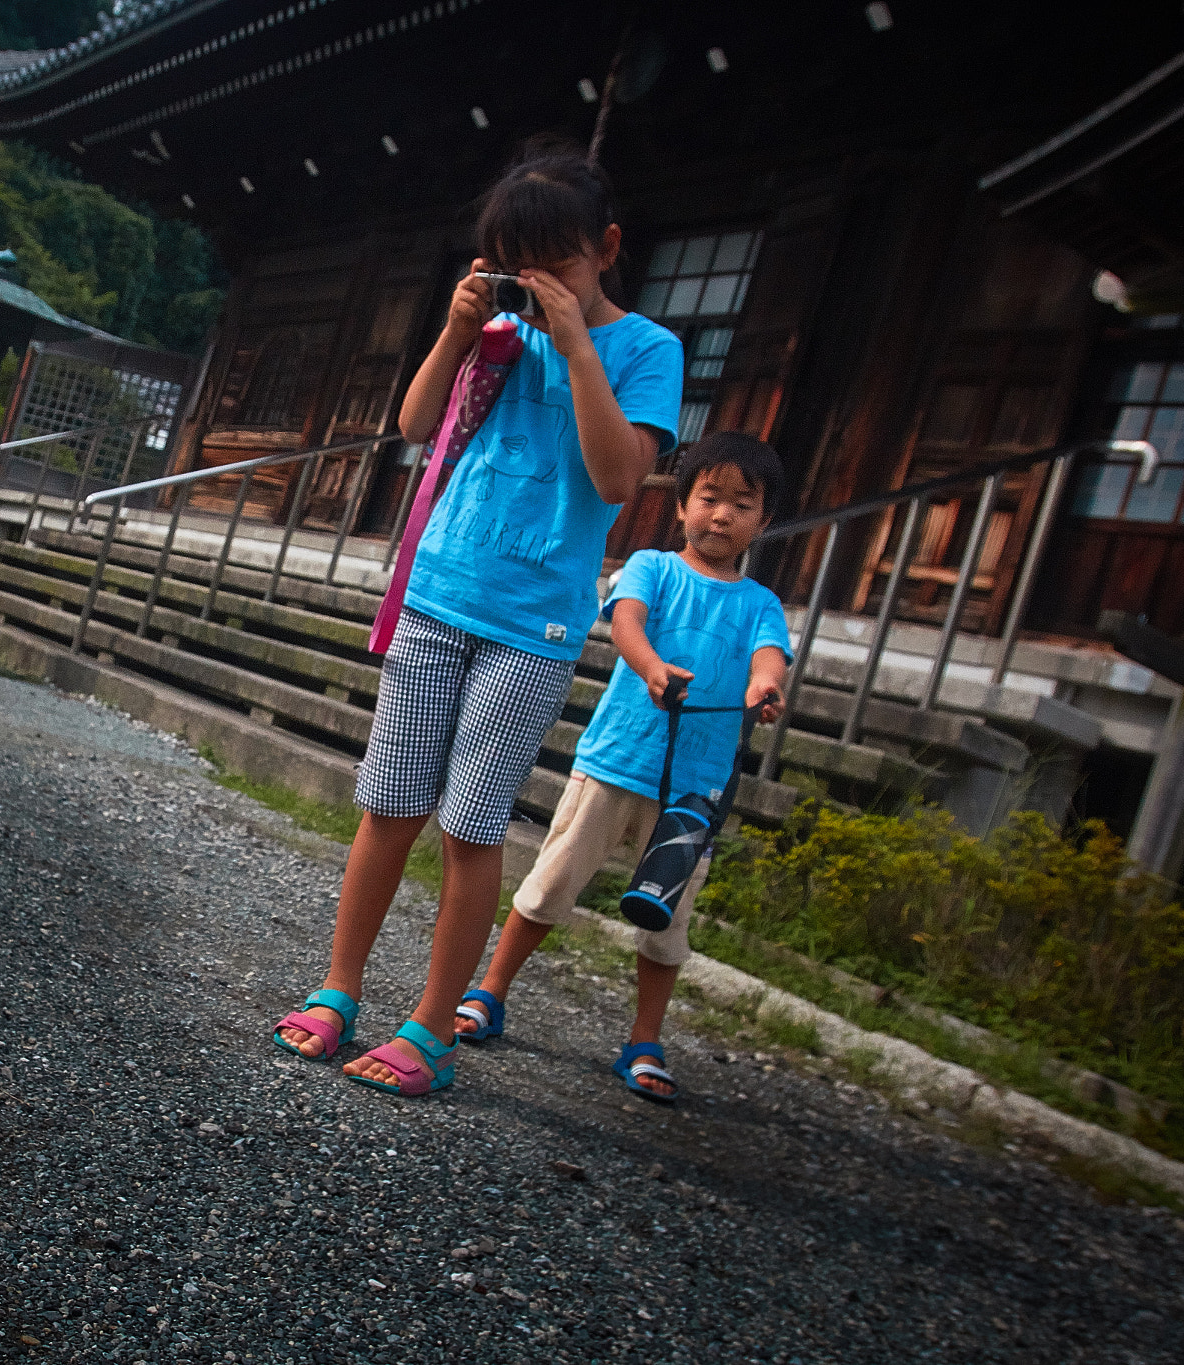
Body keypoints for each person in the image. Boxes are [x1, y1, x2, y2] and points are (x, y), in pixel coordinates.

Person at [271, 146, 685, 1096]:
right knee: (389, 806)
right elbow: (416, 427)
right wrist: (457, 333)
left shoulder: (645, 351)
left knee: (469, 823)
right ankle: (339, 989)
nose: (536, 286)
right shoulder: (493, 333)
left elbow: (621, 477)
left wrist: (579, 342)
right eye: (514, 266)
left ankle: (431, 1027)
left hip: (531, 625)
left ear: (608, 250)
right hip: (439, 592)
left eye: (560, 265)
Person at [451, 432, 794, 1104]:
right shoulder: (651, 568)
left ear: (765, 521)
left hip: (694, 791)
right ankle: (489, 990)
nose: (722, 515)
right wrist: (652, 668)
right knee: (549, 886)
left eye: (741, 504)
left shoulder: (762, 604)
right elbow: (627, 623)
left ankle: (644, 1037)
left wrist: (765, 687)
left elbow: (769, 657)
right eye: (710, 498)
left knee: (667, 925)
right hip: (614, 762)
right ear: (682, 506)